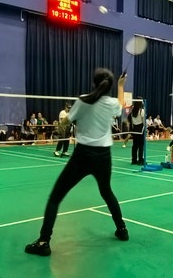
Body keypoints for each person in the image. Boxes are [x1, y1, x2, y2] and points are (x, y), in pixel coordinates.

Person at [25, 69, 128, 256]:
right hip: (103, 157)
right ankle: (122, 229)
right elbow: (121, 104)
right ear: (109, 86)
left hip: (83, 156)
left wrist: (68, 123)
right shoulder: (112, 103)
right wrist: (121, 86)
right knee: (107, 192)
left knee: (55, 197)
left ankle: (43, 242)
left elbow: (65, 122)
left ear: (94, 83)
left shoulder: (82, 101)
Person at [128, 100, 146, 165]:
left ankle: (134, 160)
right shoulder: (142, 111)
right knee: (141, 145)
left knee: (135, 145)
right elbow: (143, 122)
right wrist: (145, 128)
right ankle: (140, 160)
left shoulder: (132, 111)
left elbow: (132, 123)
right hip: (140, 129)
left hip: (135, 129)